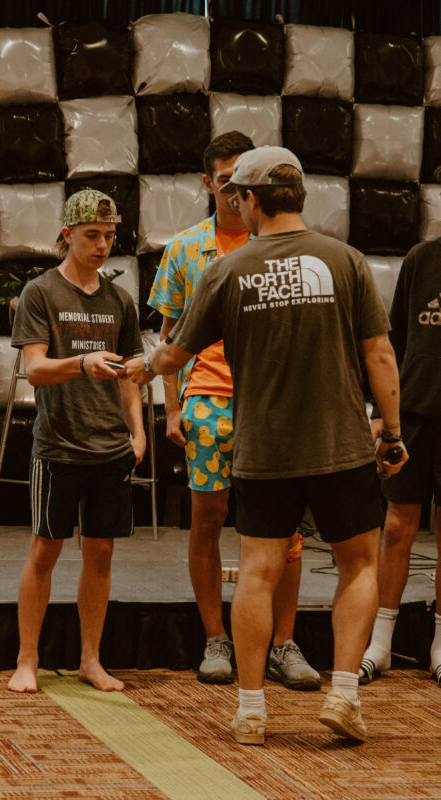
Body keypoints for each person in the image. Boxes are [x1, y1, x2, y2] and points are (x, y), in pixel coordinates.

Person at [125, 146, 408, 744]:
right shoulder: (346, 260)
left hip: (262, 450)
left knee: (257, 572)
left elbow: (175, 353)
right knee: (359, 565)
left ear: (250, 198)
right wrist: (393, 431)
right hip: (340, 446)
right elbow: (380, 354)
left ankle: (251, 710)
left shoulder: (228, 271)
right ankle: (344, 693)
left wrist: (139, 368)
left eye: (239, 197)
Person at [148, 131, 320, 689]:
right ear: (208, 182)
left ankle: (283, 643)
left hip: (274, 400)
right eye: (224, 179)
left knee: (285, 528)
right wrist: (172, 409)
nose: (233, 189)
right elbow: (169, 336)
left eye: (242, 181)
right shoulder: (186, 248)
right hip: (209, 397)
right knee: (208, 518)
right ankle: (215, 638)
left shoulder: (284, 242)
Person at [8, 189, 146, 694]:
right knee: (45, 550)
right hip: (59, 446)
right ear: (67, 235)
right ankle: (27, 659)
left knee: (101, 552)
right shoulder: (40, 292)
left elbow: (129, 375)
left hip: (110, 447)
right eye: (92, 235)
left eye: (109, 236)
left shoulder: (120, 300)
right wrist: (81, 363)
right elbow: (34, 370)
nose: (102, 245)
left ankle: (91, 659)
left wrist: (139, 432)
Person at [360, 236, 441, 687]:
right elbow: (394, 342)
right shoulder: (420, 258)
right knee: (395, 528)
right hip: (412, 415)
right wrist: (381, 412)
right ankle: (380, 643)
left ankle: (440, 647)